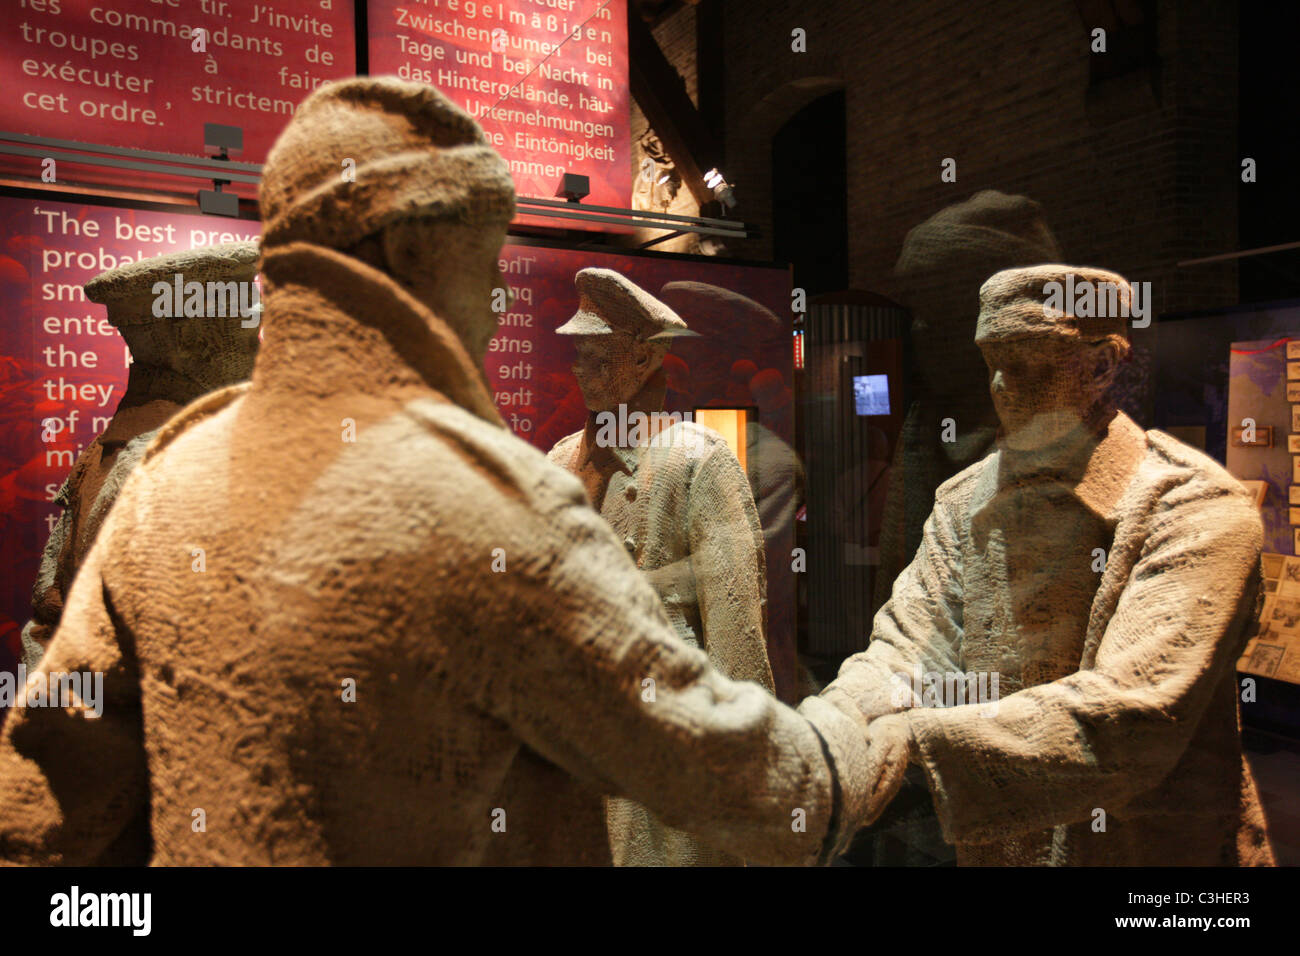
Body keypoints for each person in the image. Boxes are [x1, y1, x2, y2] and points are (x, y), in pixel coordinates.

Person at [0, 77, 901, 866]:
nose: (497, 305)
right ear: (418, 264)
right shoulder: (492, 503)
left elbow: (49, 804)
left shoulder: (164, 479)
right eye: (486, 266)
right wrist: (854, 741)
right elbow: (732, 769)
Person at [819, 265, 1276, 866]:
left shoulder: (1196, 509)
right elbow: (912, 650)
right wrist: (831, 729)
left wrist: (910, 745)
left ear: (1101, 368)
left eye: (1029, 362)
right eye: (992, 362)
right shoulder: (965, 503)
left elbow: (1132, 715)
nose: (1002, 386)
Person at [548, 268, 773, 865]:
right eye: (578, 354)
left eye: (597, 357)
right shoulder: (559, 459)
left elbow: (736, 631)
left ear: (645, 361)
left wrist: (745, 771)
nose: (578, 371)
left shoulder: (697, 463)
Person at [20, 242, 260, 670]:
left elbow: (49, 609)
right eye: (246, 332)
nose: (259, 348)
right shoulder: (186, 456)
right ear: (191, 338)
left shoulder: (112, 449)